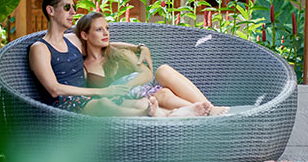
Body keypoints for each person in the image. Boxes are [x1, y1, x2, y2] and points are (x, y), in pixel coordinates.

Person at [28, 0, 161, 117]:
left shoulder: (72, 40)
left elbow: (102, 44)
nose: (73, 12)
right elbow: (54, 89)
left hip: (88, 99)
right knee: (104, 104)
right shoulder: (40, 48)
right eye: (67, 7)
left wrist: (140, 48)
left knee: (139, 103)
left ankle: (150, 118)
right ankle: (141, 115)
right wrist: (102, 91)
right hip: (63, 106)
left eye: (74, 7)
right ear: (51, 10)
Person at [74, 12, 229, 117]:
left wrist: (129, 84)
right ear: (84, 35)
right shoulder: (83, 66)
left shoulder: (118, 53)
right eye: (99, 29)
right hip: (129, 101)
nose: (106, 33)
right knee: (159, 97)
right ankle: (196, 111)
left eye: (107, 28)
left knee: (163, 72)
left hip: (144, 89)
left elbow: (147, 73)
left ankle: (208, 108)